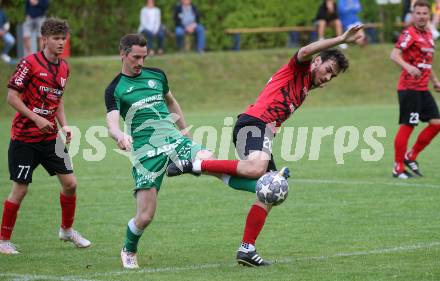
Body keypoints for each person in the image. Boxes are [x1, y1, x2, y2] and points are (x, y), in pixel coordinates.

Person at [167, 25, 364, 266]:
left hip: (263, 132)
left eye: (332, 77)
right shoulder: (297, 68)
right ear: (318, 61)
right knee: (255, 169)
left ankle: (246, 249)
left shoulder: (304, 89)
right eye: (328, 70)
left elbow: (277, 117)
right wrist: (342, 38)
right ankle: (194, 164)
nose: (327, 77)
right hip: (252, 123)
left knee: (270, 191)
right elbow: (305, 50)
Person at [0, 18, 91, 255]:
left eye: (64, 38)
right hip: (24, 137)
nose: (61, 43)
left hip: (50, 137)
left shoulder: (64, 67)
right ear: (45, 40)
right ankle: (3, 240)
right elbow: (11, 97)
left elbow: (57, 100)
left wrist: (65, 126)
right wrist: (36, 118)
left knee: (70, 184)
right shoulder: (28, 63)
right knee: (20, 189)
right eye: (56, 38)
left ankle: (67, 230)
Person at [391, 0, 440, 179]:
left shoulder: (428, 35)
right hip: (409, 88)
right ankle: (398, 167)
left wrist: (435, 81)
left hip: (423, 88)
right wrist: (407, 67)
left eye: (424, 13)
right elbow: (394, 54)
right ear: (413, 15)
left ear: (429, 15)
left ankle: (411, 156)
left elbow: (427, 62)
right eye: (418, 13)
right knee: (408, 126)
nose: (421, 16)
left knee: (437, 123)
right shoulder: (408, 33)